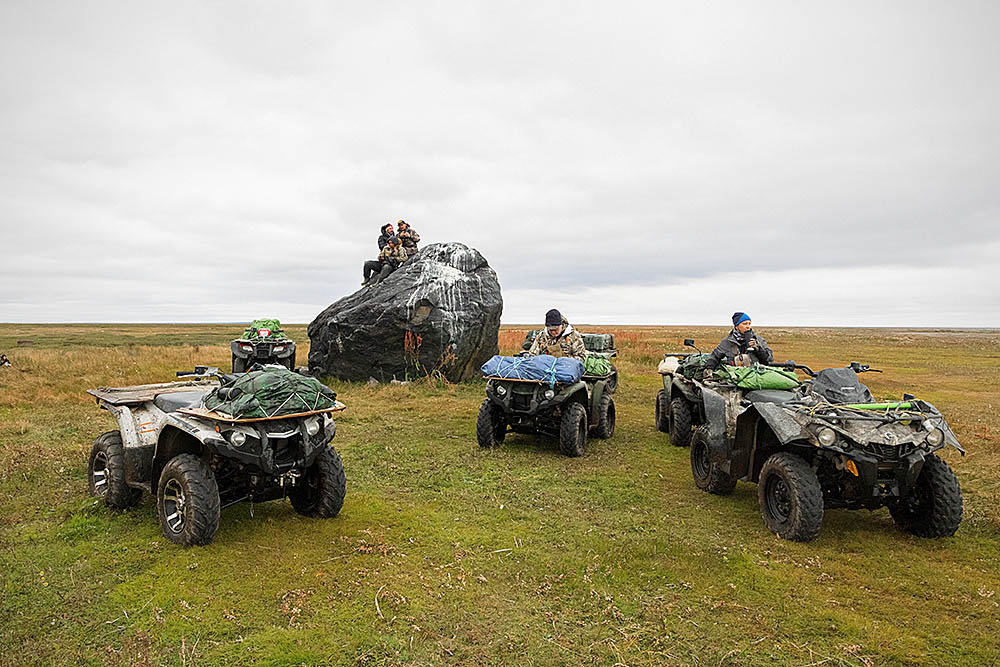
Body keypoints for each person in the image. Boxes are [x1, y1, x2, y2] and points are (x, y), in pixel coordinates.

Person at [703, 312, 773, 377]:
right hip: (735, 377)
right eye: (744, 324)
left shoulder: (758, 340)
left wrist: (758, 349)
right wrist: (709, 368)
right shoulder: (728, 342)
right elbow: (715, 356)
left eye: (749, 324)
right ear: (736, 326)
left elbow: (769, 360)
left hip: (755, 376)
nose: (748, 326)